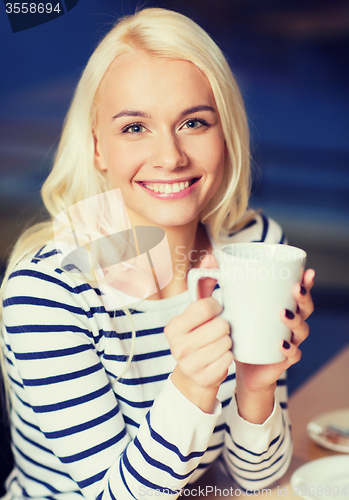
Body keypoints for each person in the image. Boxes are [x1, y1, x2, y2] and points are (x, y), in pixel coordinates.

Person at [0, 8, 315, 500]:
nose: (170, 156)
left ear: (225, 134)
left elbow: (255, 479)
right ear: (98, 148)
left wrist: (258, 382)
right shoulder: (51, 291)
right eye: (134, 128)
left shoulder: (255, 250)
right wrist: (191, 384)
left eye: (193, 122)